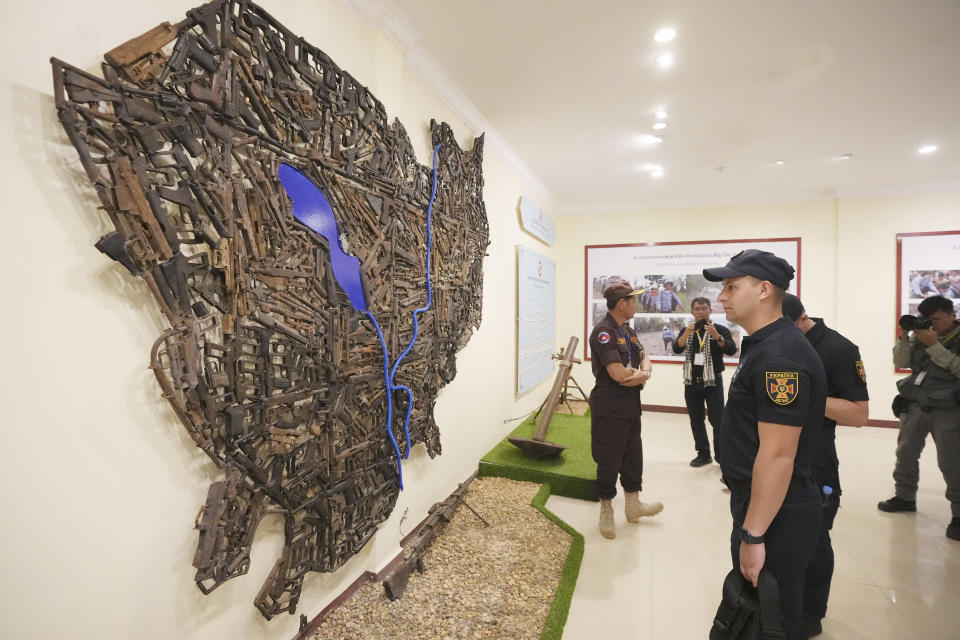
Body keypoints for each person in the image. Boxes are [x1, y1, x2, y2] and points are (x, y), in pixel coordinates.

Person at [703, 249, 826, 640]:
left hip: (778, 510)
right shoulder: (764, 343)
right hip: (762, 502)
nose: (722, 296)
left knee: (772, 619)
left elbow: (777, 456)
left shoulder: (781, 357)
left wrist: (753, 535)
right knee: (758, 613)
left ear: (764, 290)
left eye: (731, 286)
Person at [782, 294, 870, 638]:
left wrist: (811, 395)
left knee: (814, 539)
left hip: (815, 461)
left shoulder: (839, 349)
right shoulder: (775, 342)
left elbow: (859, 413)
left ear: (802, 319)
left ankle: (810, 614)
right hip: (776, 456)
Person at [878, 295, 960, 542]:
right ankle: (904, 496)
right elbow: (901, 362)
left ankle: (958, 514)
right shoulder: (920, 337)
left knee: (952, 462)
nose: (931, 324)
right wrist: (905, 336)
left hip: (948, 408)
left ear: (952, 315)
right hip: (915, 403)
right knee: (905, 453)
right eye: (927, 320)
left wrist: (934, 345)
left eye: (936, 319)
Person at [588, 281, 664, 539]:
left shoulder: (628, 330)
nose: (637, 304)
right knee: (609, 459)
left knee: (633, 457)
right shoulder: (603, 332)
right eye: (633, 300)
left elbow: (644, 357)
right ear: (622, 303)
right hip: (609, 407)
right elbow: (618, 374)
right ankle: (606, 510)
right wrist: (642, 375)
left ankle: (633, 506)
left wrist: (645, 371)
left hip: (630, 405)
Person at [673, 297, 738, 467]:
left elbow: (731, 349)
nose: (701, 311)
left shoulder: (720, 329)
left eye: (704, 308)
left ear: (710, 310)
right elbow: (677, 347)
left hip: (713, 382)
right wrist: (686, 334)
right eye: (697, 308)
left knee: (718, 420)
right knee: (696, 419)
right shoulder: (687, 330)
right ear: (692, 312)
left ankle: (721, 457)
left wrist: (717, 337)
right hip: (691, 382)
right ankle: (703, 454)